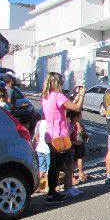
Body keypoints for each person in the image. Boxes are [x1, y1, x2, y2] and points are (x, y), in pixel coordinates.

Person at [41, 72, 85, 204]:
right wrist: (82, 94)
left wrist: (74, 95)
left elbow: (66, 103)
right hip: (59, 136)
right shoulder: (58, 95)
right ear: (58, 82)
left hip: (50, 135)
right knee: (58, 166)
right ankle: (52, 194)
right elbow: (76, 107)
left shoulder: (46, 96)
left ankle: (52, 192)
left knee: (54, 166)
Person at [69, 110, 90, 184]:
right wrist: (85, 136)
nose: (81, 116)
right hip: (77, 142)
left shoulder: (71, 123)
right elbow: (81, 130)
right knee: (78, 157)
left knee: (73, 159)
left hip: (73, 142)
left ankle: (74, 175)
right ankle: (76, 174)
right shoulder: (76, 123)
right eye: (80, 115)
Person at [32, 118, 50, 194]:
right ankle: (47, 187)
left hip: (40, 148)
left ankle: (38, 186)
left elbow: (36, 136)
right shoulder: (50, 123)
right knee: (49, 169)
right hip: (48, 149)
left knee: (41, 169)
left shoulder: (39, 123)